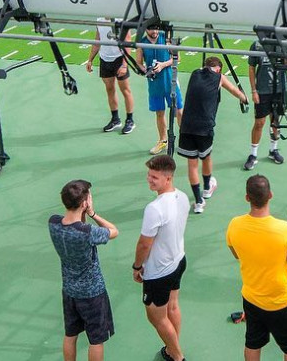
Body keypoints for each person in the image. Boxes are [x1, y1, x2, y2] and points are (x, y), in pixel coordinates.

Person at [226, 175, 287, 361]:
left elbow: (237, 253)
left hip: (252, 300)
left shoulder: (234, 225)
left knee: (253, 343)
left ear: (247, 198)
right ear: (270, 195)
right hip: (283, 303)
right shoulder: (286, 230)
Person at [49, 179, 119, 361]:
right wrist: (93, 213)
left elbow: (78, 224)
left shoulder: (53, 223)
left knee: (70, 334)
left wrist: (83, 212)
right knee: (96, 340)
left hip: (69, 290)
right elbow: (113, 231)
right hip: (92, 292)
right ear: (84, 202)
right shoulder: (88, 233)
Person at [134, 155, 191, 361]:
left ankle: (177, 356)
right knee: (173, 306)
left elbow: (144, 244)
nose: (149, 180)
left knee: (156, 317)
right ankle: (172, 346)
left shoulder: (154, 208)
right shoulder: (183, 197)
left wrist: (137, 266)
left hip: (159, 271)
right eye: (149, 175)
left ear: (168, 178)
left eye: (154, 177)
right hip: (178, 260)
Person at [178, 57, 248, 214]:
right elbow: (235, 91)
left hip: (187, 125)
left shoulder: (194, 73)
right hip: (204, 127)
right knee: (207, 157)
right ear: (219, 69)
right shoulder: (219, 77)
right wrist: (245, 99)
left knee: (192, 164)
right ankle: (207, 188)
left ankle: (198, 202)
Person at [136, 26, 183, 155]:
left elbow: (177, 58)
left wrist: (162, 65)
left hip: (170, 82)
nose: (155, 32)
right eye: (152, 30)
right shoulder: (142, 43)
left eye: (156, 29)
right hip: (154, 85)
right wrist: (146, 70)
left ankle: (186, 140)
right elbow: (138, 62)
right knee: (159, 113)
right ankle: (163, 141)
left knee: (179, 111)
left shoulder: (165, 38)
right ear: (146, 30)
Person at [85, 20, 135, 135]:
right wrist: (90, 59)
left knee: (125, 90)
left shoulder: (121, 19)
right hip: (105, 58)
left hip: (119, 58)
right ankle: (115, 119)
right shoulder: (99, 20)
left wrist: (124, 64)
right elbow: (98, 40)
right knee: (110, 89)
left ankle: (130, 120)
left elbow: (128, 41)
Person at [245, 43, 287, 171]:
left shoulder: (283, 44)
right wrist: (253, 91)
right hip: (262, 91)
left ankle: (273, 150)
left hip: (278, 90)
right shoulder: (257, 45)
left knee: (275, 121)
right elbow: (251, 68)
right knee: (259, 123)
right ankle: (253, 154)